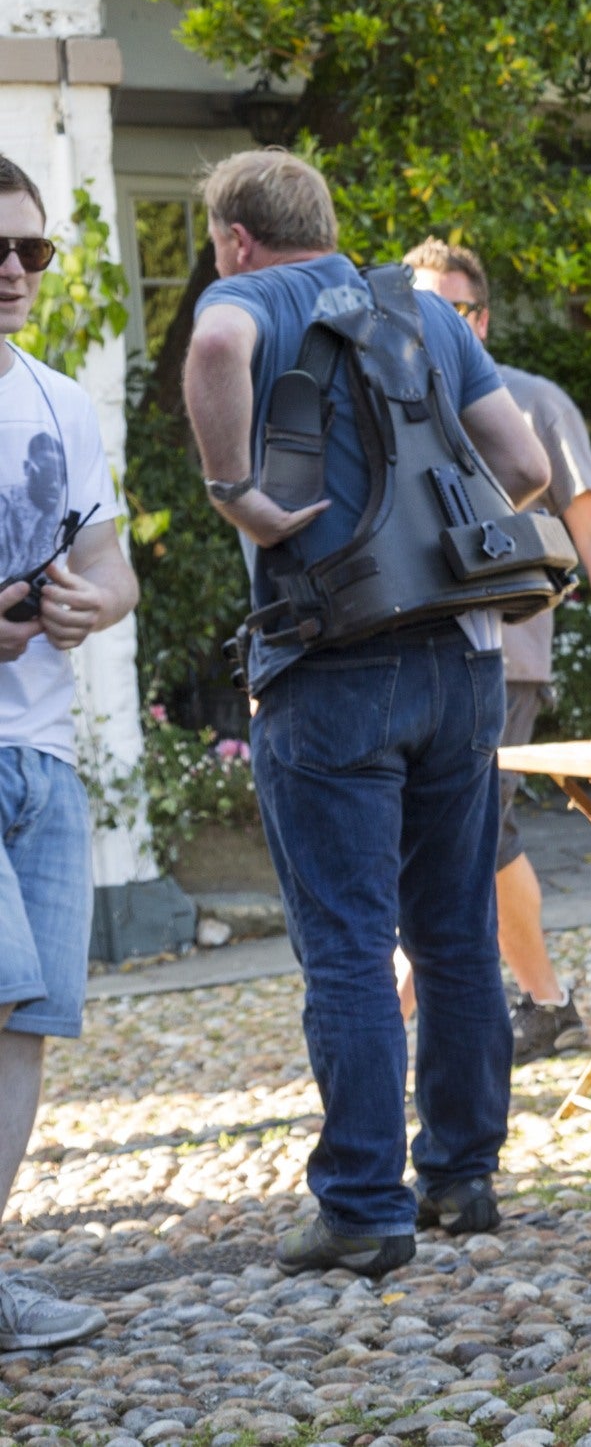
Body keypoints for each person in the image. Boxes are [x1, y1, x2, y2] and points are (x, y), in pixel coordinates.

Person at [180, 149, 550, 1276]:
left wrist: (236, 493)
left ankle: (361, 1207)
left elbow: (213, 346)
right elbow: (525, 464)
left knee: (347, 945)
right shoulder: (423, 312)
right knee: (455, 930)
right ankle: (462, 1176)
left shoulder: (248, 299)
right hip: (461, 657)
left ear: (237, 238)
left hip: (330, 660)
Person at [401, 239, 591, 1063]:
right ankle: (547, 1002)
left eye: (455, 308)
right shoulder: (386, 394)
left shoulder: (533, 401)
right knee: (480, 835)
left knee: (461, 833)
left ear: (482, 317)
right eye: (422, 307)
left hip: (504, 658)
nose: (440, 323)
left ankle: (395, 1011)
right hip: (409, 652)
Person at [0, 153, 140, 1346]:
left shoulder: (63, 404)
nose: (13, 269)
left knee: (27, 1023)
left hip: (43, 756)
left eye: (32, 249)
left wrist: (94, 603)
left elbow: (111, 566)